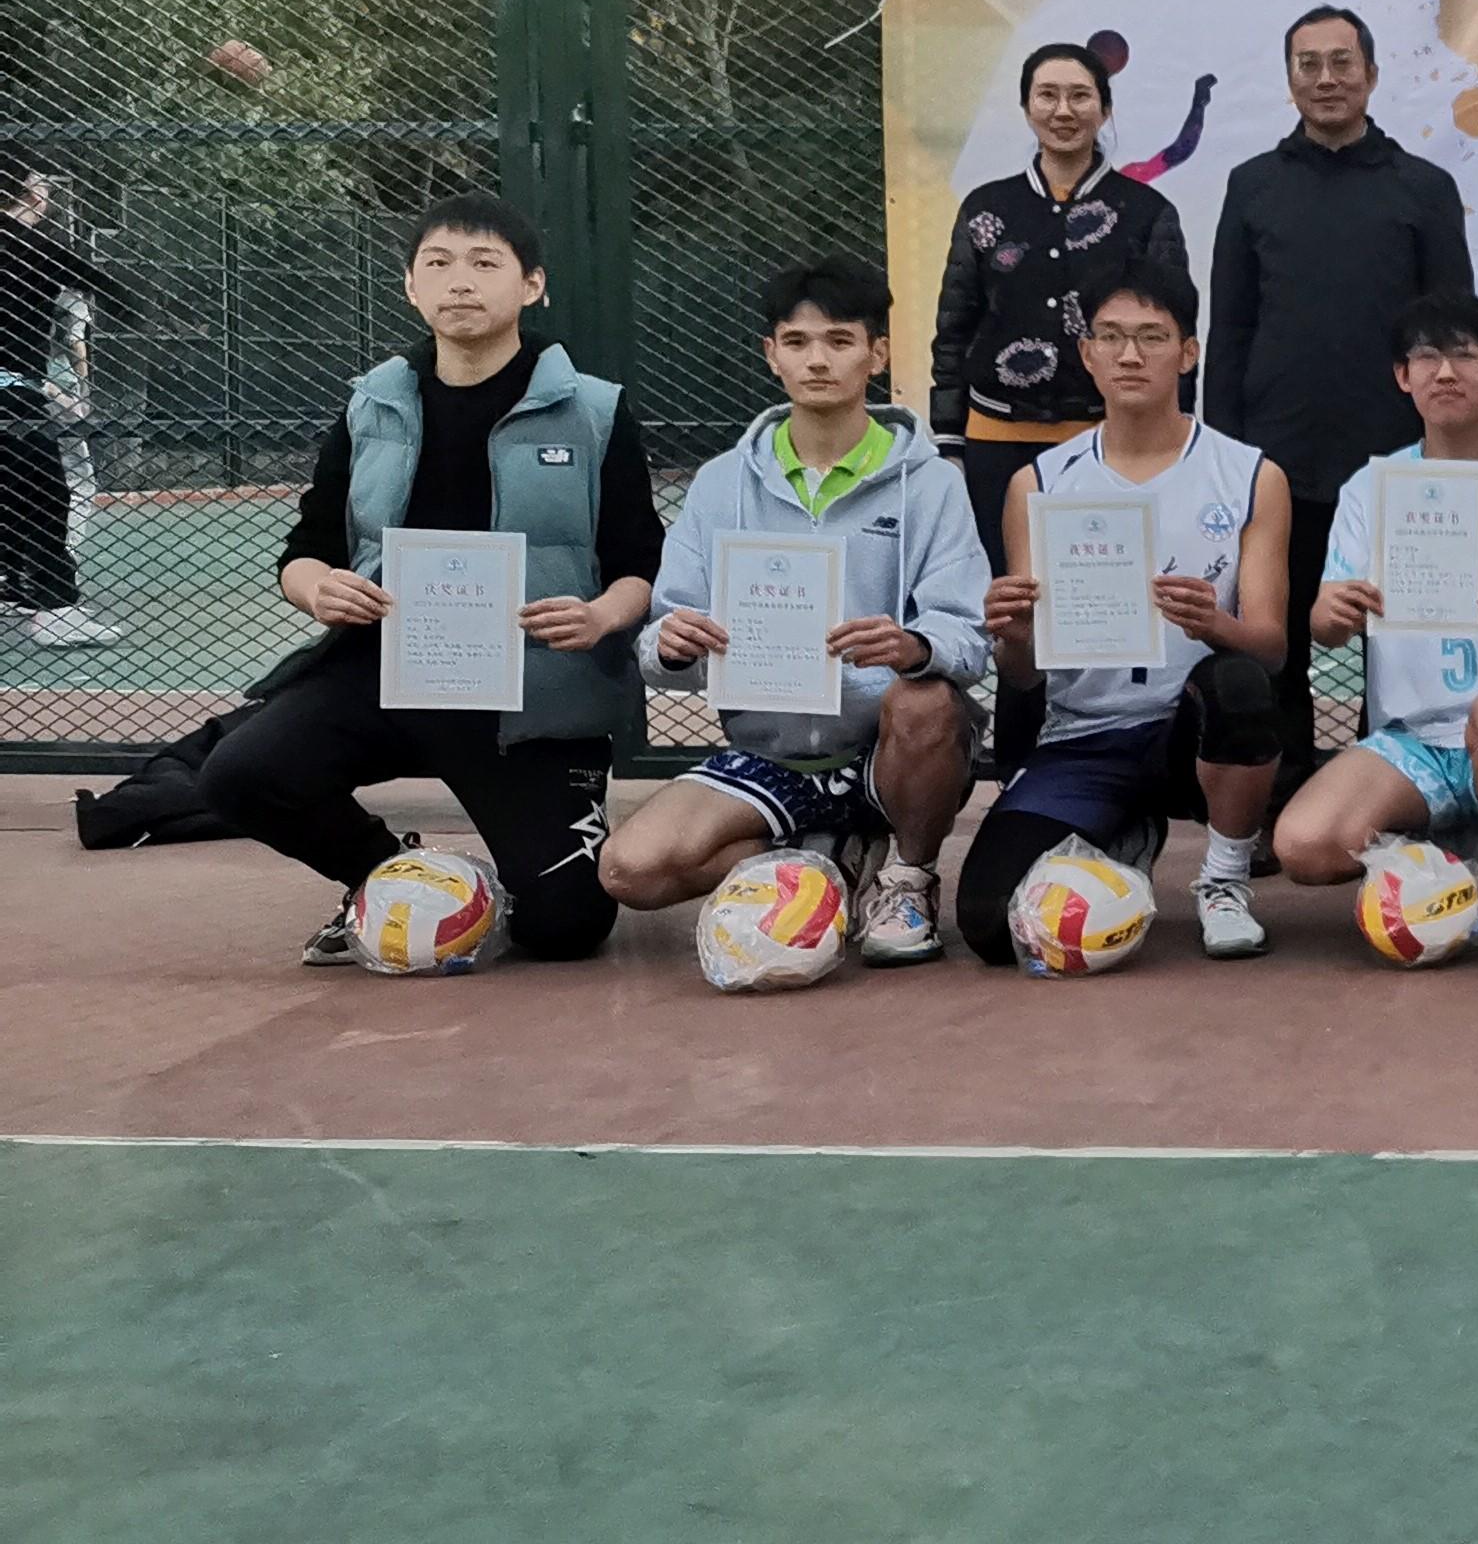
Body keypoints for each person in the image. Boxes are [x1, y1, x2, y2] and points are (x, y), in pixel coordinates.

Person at [198, 195, 663, 966]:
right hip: (389, 671)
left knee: (566, 926)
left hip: (530, 694)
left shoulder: (594, 411)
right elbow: (306, 550)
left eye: (485, 263)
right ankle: (394, 878)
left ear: (533, 284)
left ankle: (520, 872)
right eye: (438, 264)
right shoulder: (372, 404)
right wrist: (319, 588)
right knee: (242, 773)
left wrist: (600, 615)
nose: (460, 281)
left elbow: (639, 564)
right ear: (412, 286)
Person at [606, 256, 988, 960]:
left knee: (928, 702)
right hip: (769, 753)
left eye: (840, 341)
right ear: (771, 354)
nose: (817, 360)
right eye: (797, 341)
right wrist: (673, 644)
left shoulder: (931, 483)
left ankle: (908, 875)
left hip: (884, 751)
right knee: (629, 869)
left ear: (877, 354)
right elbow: (659, 643)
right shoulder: (722, 483)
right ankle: (824, 865)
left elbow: (967, 634)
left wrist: (913, 646)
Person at [961, 265, 1294, 964]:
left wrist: (1215, 623)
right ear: (1087, 353)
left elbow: (1270, 648)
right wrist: (1013, 634)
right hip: (1084, 737)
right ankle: (1121, 835)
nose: (1130, 355)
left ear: (1188, 352)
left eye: (1152, 336)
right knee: (992, 926)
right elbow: (1023, 675)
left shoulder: (1250, 475)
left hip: (1191, 733)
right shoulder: (1039, 483)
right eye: (1110, 337)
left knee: (1239, 682)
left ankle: (1224, 879)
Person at [1273, 292, 1478, 959]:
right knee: (1305, 845)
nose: (1445, 373)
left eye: (1464, 356)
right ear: (1403, 377)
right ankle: (1443, 869)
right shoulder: (1373, 487)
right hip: (1416, 742)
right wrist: (1332, 616)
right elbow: (1325, 622)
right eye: (1426, 358)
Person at [1203, 3, 1477, 776]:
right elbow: (1231, 329)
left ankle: (1393, 775)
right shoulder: (1252, 185)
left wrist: (1449, 447)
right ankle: (1282, 786)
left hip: (1395, 459)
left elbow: (1453, 334)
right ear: (1290, 78)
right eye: (1309, 64)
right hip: (1276, 457)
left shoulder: (1424, 188)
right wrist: (1225, 456)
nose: (1326, 78)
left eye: (1342, 62)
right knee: (1277, 632)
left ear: (1372, 74)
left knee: (1395, 631)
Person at [925, 40, 1190, 569]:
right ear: (1026, 107)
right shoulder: (987, 208)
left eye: (1080, 96)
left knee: (1104, 590)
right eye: (1047, 95)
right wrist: (950, 443)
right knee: (1004, 595)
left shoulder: (1146, 213)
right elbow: (955, 328)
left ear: (1105, 108)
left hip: (1108, 444)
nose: (1063, 111)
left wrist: (1174, 442)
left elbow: (1173, 340)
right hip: (994, 441)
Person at [0, 168, 119, 646]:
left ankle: (18, 584)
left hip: (20, 388)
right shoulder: (29, 250)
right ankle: (55, 608)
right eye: (40, 183)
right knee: (47, 492)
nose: (47, 190)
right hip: (15, 394)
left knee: (18, 490)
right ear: (29, 193)